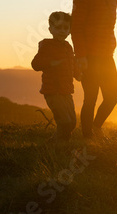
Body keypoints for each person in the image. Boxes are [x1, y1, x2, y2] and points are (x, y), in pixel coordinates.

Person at [71, 0, 117, 139]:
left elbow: (110, 26)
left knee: (112, 97)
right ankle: (87, 137)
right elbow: (76, 27)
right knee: (90, 98)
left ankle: (96, 128)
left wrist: (112, 43)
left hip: (107, 54)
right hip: (89, 55)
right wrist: (81, 56)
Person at [31, 11, 81, 146]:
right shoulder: (47, 46)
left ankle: (55, 142)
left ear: (70, 30)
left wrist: (79, 74)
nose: (62, 31)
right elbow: (35, 64)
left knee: (72, 123)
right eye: (58, 28)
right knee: (64, 121)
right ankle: (58, 145)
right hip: (52, 91)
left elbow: (73, 65)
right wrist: (50, 62)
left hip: (67, 91)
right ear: (50, 29)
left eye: (66, 27)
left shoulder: (68, 47)